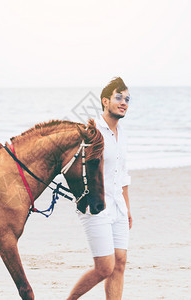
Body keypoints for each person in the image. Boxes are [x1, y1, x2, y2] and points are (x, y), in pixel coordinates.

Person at [68, 77, 132, 299]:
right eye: (118, 97)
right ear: (105, 101)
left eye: (127, 99)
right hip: (96, 206)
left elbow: (122, 175)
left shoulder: (122, 132)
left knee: (120, 263)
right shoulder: (92, 131)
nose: (124, 102)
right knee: (105, 267)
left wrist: (128, 209)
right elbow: (73, 167)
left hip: (118, 207)